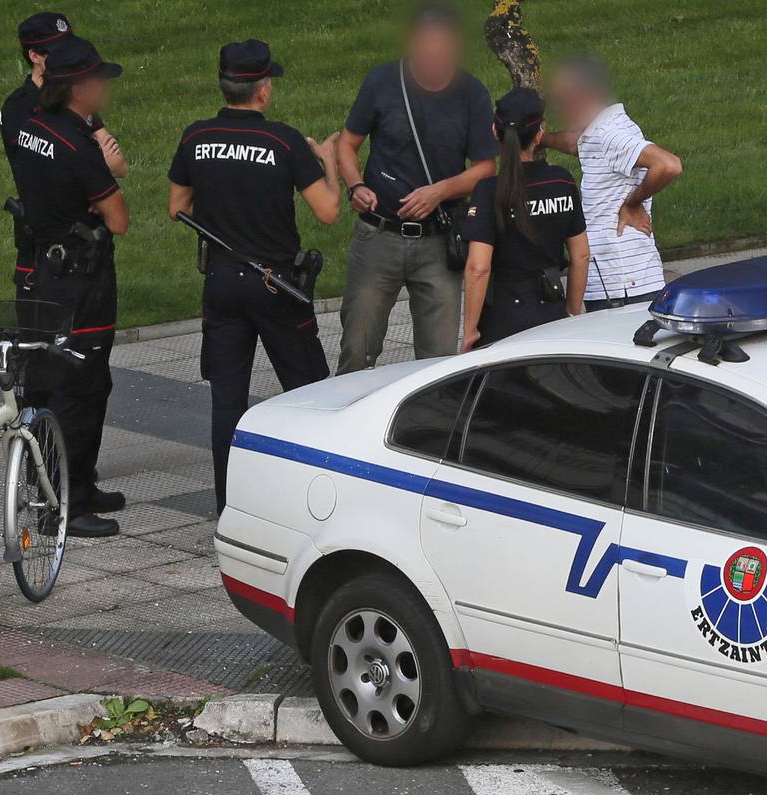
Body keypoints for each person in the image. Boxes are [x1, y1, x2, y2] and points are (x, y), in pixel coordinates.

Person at [167, 40, 341, 513]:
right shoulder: (283, 141)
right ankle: (319, 499)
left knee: (227, 401)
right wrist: (327, 163)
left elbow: (176, 208)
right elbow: (327, 211)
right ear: (263, 91)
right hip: (276, 286)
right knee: (311, 394)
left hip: (221, 283)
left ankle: (230, 508)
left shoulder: (195, 137)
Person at [335, 1, 497, 372]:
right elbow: (347, 144)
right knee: (358, 349)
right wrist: (356, 185)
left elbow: (486, 168)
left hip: (438, 242)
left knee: (437, 358)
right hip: (379, 235)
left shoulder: (472, 93)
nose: (434, 56)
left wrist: (439, 191)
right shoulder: (382, 82)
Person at [10, 37, 129, 538]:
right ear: (77, 87)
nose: (104, 85)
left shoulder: (30, 125)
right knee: (81, 387)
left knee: (49, 381)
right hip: (82, 281)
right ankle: (70, 502)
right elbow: (118, 218)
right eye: (98, 78)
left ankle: (66, 481)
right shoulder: (79, 144)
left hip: (41, 268)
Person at [0, 13, 126, 299]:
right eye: (57, 51)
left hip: (83, 244)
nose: (68, 55)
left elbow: (118, 164)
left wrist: (88, 168)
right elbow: (44, 166)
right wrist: (90, 167)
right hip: (45, 238)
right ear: (34, 56)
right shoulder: (19, 107)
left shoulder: (76, 99)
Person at [543, 55, 682, 311]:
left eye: (565, 100)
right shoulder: (602, 129)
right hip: (630, 277)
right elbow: (577, 144)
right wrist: (543, 139)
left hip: (619, 283)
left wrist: (633, 202)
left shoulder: (609, 134)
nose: (561, 109)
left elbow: (668, 165)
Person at [461, 87, 587, 350]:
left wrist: (470, 329)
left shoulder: (488, 190)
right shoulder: (562, 181)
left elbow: (478, 267)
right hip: (551, 311)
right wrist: (573, 312)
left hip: (502, 319)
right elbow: (581, 256)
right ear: (539, 134)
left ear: (495, 132)